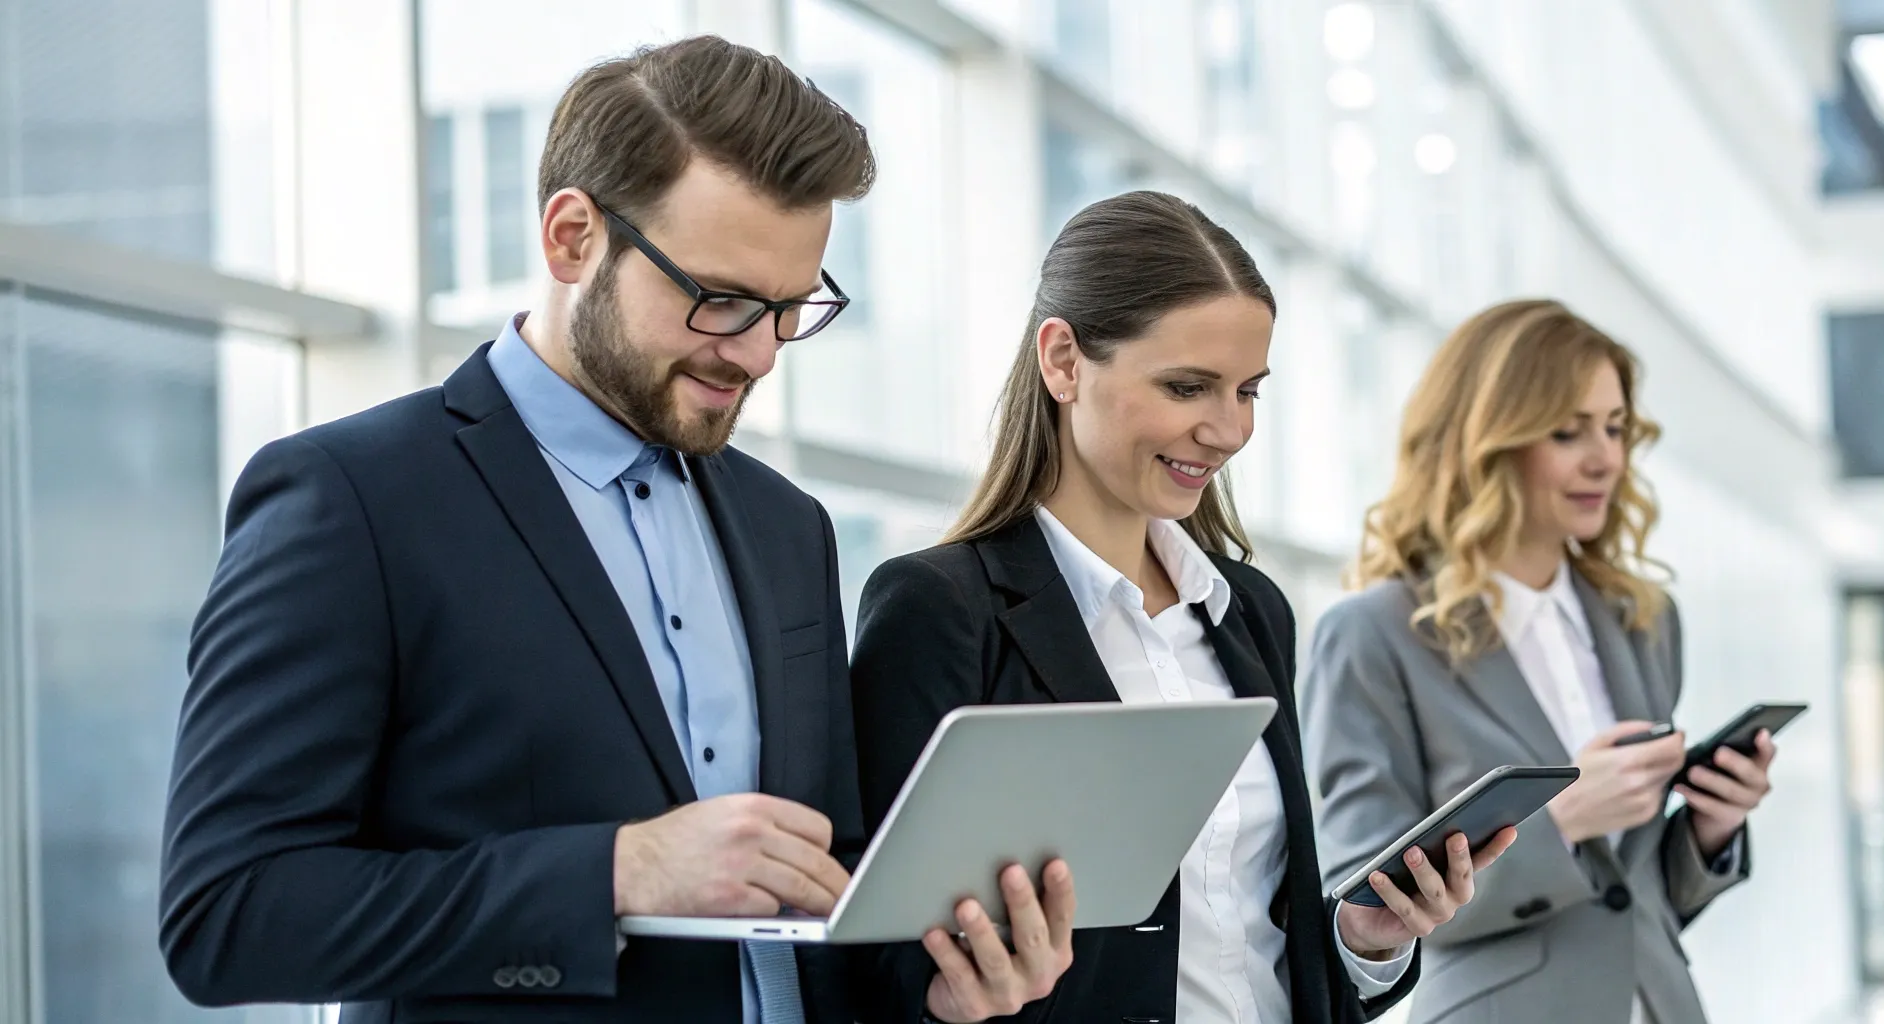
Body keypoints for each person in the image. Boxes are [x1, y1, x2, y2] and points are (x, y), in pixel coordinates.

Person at [158, 35, 1069, 1024]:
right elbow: (226, 915)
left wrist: (940, 989)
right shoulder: (353, 500)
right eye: (718, 300)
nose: (758, 354)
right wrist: (615, 870)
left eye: (788, 308)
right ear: (571, 237)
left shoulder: (786, 526)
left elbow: (824, 883)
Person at [847, 191, 1515, 1024]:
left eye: (1248, 391)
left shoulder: (1250, 610)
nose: (1229, 430)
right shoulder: (942, 609)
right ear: (1063, 362)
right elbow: (872, 967)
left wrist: (1366, 940)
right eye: (1189, 387)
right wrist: (948, 1001)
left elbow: (1252, 942)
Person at [1300, 299, 1778, 1024]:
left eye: (1615, 428)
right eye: (1567, 431)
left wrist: (1712, 825)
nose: (1605, 458)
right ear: (1487, 441)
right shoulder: (1372, 636)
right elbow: (1363, 903)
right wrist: (1563, 823)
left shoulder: (1642, 621)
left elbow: (1636, 889)